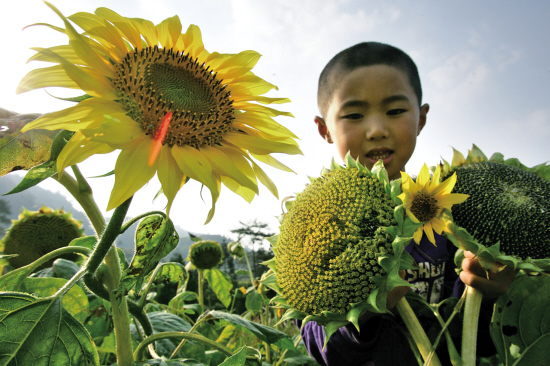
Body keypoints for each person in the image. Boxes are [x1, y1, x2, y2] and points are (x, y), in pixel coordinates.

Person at [300, 42, 517, 366]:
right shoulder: (316, 226)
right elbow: (319, 342)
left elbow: (479, 341)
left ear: (421, 118)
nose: (377, 130)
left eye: (395, 111)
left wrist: (493, 294)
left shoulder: (448, 212)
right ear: (324, 129)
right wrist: (365, 316)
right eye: (355, 115)